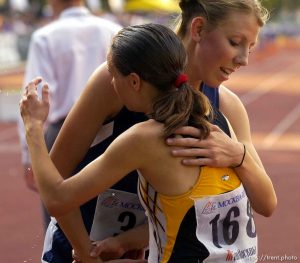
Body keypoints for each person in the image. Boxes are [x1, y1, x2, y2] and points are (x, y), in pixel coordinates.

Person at [33, 0, 277, 261]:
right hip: (80, 245)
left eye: (250, 47)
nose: (244, 60)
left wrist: (239, 154)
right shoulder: (118, 79)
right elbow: (56, 182)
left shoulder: (226, 107)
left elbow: (265, 203)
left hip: (153, 250)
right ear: (198, 28)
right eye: (234, 42)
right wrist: (84, 251)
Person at [17, 0, 121, 233]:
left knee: (58, 214)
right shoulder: (112, 29)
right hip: (111, 129)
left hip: (63, 131)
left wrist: (29, 156)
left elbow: (33, 97)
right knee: (112, 209)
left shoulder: (45, 36)